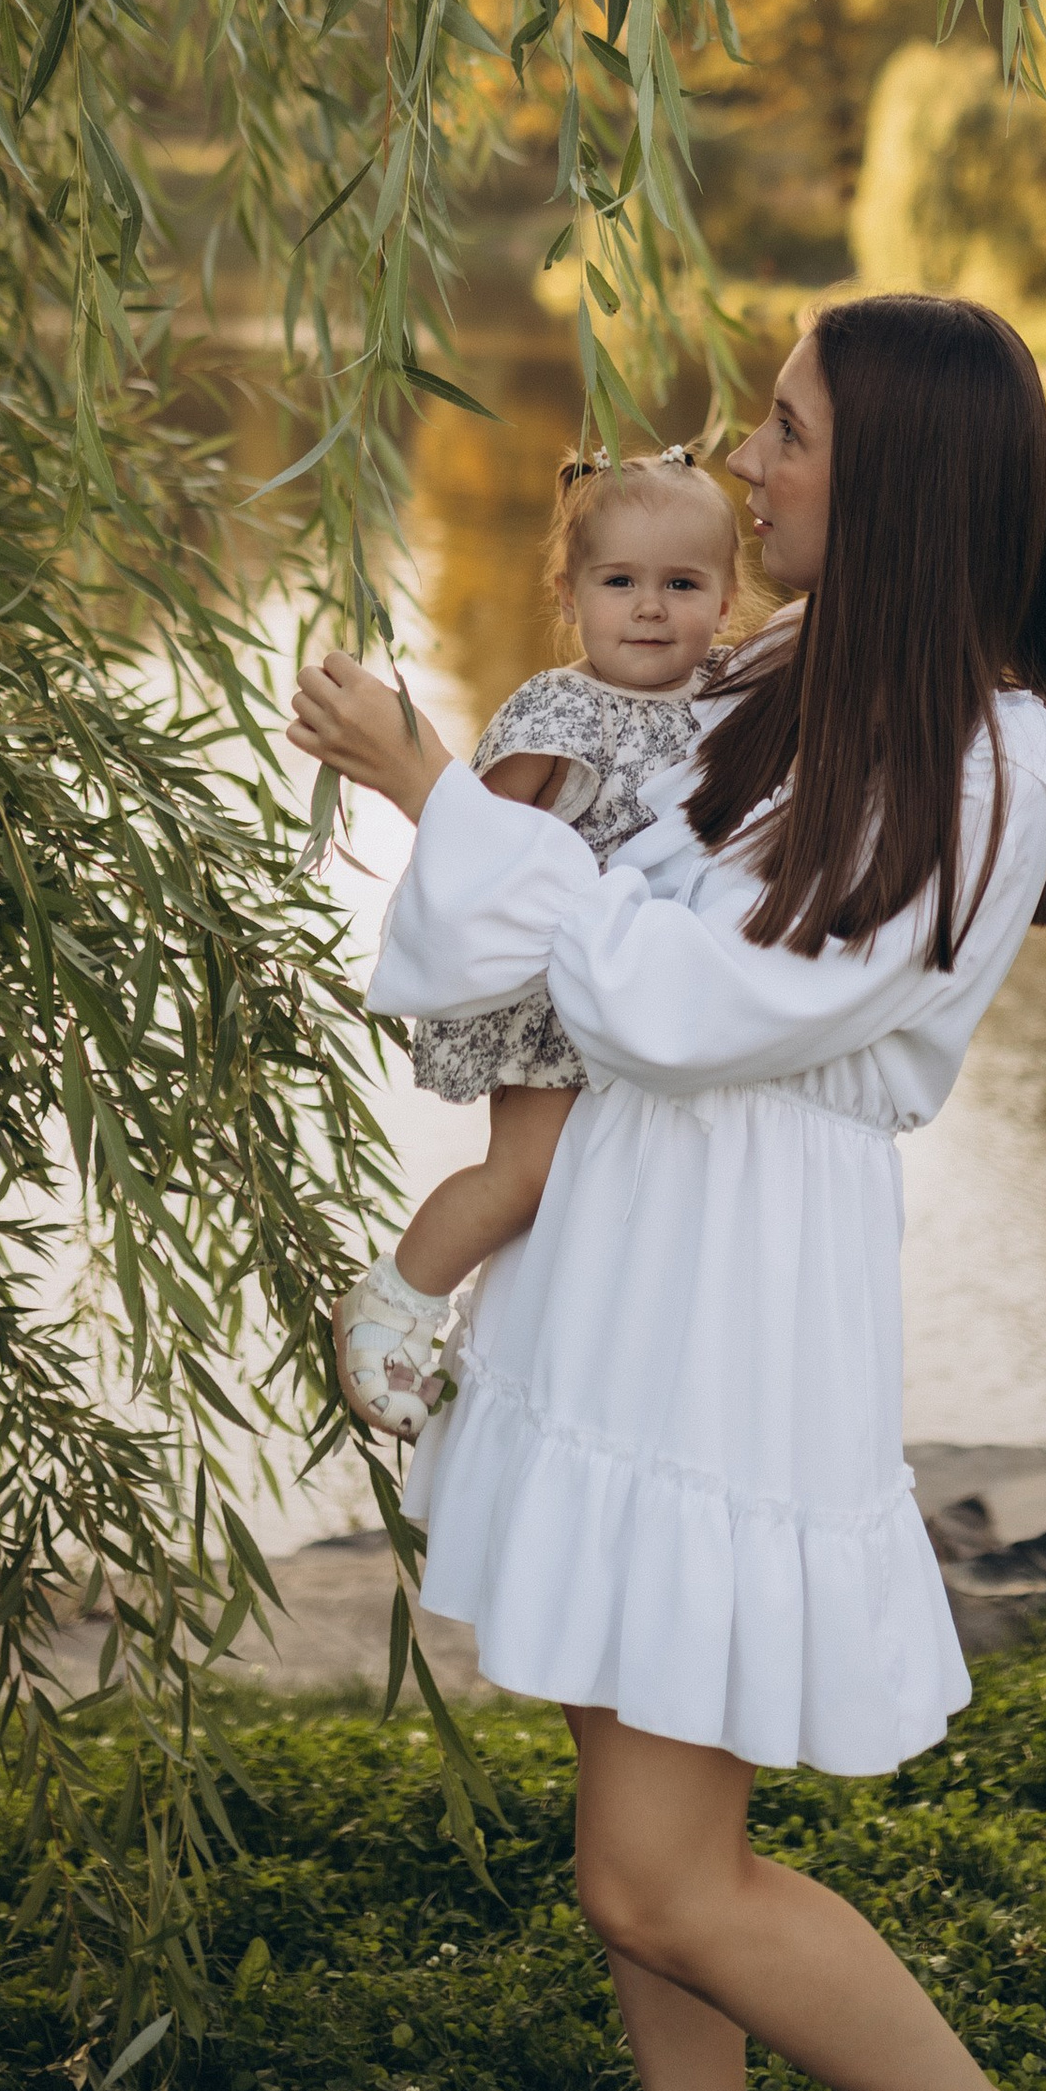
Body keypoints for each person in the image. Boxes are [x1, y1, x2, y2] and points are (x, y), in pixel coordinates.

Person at [286, 294, 1046, 2091]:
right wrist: (457, 806)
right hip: (611, 1261)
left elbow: (681, 1003)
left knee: (666, 1879)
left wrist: (430, 785)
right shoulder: (760, 667)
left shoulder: (987, 760)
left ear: (903, 482)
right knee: (623, 1829)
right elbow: (540, 936)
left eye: (795, 436)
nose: (753, 467)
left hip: (732, 1302)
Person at [332, 449, 745, 1441]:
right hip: (551, 990)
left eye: (682, 585)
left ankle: (532, 1356)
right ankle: (395, 1301)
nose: (650, 609)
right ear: (570, 592)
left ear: (726, 599)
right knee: (528, 1175)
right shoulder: (559, 714)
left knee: (609, 1187)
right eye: (620, 583)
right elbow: (473, 839)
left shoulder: (728, 695)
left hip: (644, 985)